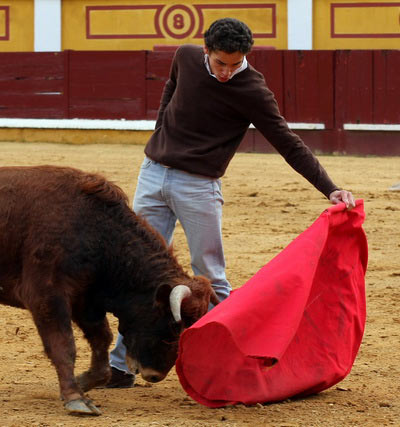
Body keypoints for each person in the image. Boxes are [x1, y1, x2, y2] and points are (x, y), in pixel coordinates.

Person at [104, 17, 356, 388]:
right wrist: (160, 134)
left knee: (212, 274)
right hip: (153, 174)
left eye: (235, 64)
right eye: (221, 63)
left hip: (199, 186)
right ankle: (120, 366)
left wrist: (329, 188)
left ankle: (237, 362)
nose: (227, 72)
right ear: (206, 50)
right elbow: (170, 90)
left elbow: (287, 141)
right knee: (139, 273)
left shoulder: (252, 88)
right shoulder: (185, 57)